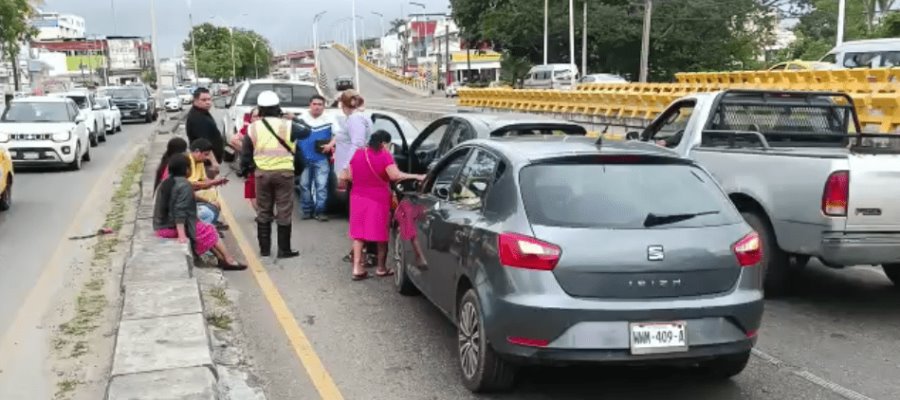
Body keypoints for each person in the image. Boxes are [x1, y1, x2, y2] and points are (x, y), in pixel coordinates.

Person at [341, 130, 424, 280]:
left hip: (358, 197)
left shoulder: (358, 153)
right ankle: (381, 268)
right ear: (384, 143)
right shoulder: (384, 155)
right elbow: (395, 175)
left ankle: (357, 268)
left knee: (358, 233)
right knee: (381, 235)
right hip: (377, 199)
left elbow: (348, 176)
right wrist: (417, 176)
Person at [240, 90, 309, 258]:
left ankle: (264, 250)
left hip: (262, 174)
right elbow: (307, 131)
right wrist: (294, 118)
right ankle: (284, 250)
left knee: (263, 211)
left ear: (260, 109)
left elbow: (246, 153)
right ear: (278, 107)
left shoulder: (252, 127)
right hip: (284, 173)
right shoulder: (288, 125)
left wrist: (246, 170)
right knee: (284, 211)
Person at [153, 154, 246, 270]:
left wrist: (212, 187)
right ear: (187, 169)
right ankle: (229, 260)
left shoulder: (167, 182)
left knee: (202, 226)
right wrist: (182, 236)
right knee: (210, 230)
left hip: (161, 227)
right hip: (171, 229)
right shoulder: (184, 184)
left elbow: (191, 192)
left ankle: (220, 258)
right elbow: (179, 211)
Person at [332, 89, 374, 263]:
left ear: (342, 104)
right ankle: (361, 250)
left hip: (356, 173)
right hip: (357, 171)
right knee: (360, 213)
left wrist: (345, 168)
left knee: (359, 214)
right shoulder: (358, 117)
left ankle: (365, 251)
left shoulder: (355, 119)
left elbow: (357, 143)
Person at [296, 95, 337, 221]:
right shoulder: (301, 119)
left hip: (321, 158)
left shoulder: (330, 119)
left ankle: (320, 212)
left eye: (320, 104)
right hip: (304, 159)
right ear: (310, 105)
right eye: (315, 104)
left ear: (324, 106)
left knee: (322, 185)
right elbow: (293, 137)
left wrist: (330, 145)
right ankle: (307, 210)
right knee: (304, 185)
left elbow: (338, 135)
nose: (317, 107)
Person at [186, 139, 228, 227]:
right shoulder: (187, 162)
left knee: (214, 194)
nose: (207, 158)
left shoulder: (200, 162)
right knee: (213, 204)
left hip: (196, 192)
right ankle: (209, 226)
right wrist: (213, 182)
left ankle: (211, 225)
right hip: (188, 195)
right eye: (205, 154)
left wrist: (217, 181)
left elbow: (205, 180)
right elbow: (190, 185)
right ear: (197, 151)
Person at [231, 107, 260, 212]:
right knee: (251, 191)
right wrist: (246, 148)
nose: (258, 118)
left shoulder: (269, 129)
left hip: (266, 166)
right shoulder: (247, 129)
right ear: (251, 118)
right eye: (255, 116)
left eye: (260, 116)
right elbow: (234, 139)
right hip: (251, 165)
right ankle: (261, 214)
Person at [185, 87, 226, 164]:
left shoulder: (202, 113)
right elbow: (204, 144)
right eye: (203, 100)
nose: (208, 102)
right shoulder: (197, 118)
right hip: (206, 163)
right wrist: (214, 163)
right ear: (195, 101)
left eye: (209, 99)